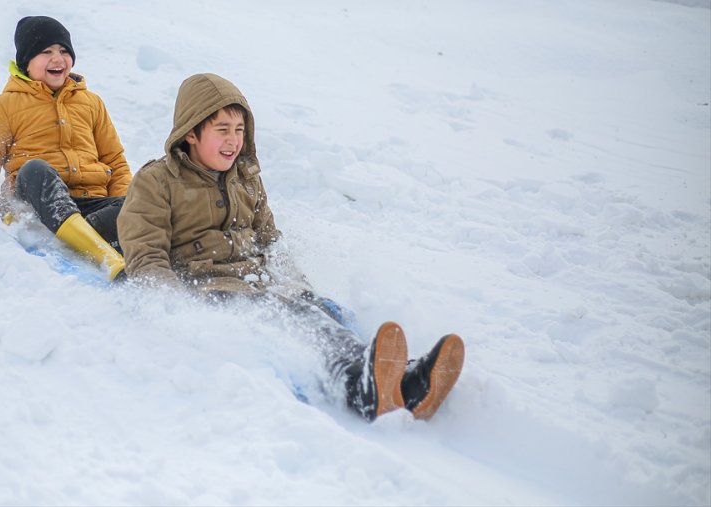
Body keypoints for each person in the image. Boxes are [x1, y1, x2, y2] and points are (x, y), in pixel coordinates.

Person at [116, 73, 465, 421]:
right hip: (212, 292)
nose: (233, 141)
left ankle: (404, 381)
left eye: (240, 130)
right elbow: (146, 256)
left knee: (320, 310)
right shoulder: (157, 182)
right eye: (222, 130)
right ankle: (360, 386)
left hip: (260, 284)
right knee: (301, 325)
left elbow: (270, 240)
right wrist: (176, 310)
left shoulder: (245, 177)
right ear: (191, 133)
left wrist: (298, 286)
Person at [0, 16, 130, 280]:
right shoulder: (4, 107)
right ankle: (104, 256)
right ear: (26, 62)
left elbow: (116, 162)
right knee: (35, 170)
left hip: (93, 206)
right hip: (41, 203)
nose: (58, 59)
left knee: (147, 199)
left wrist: (128, 208)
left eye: (64, 51)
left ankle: (86, 237)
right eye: (46, 52)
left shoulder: (91, 102)